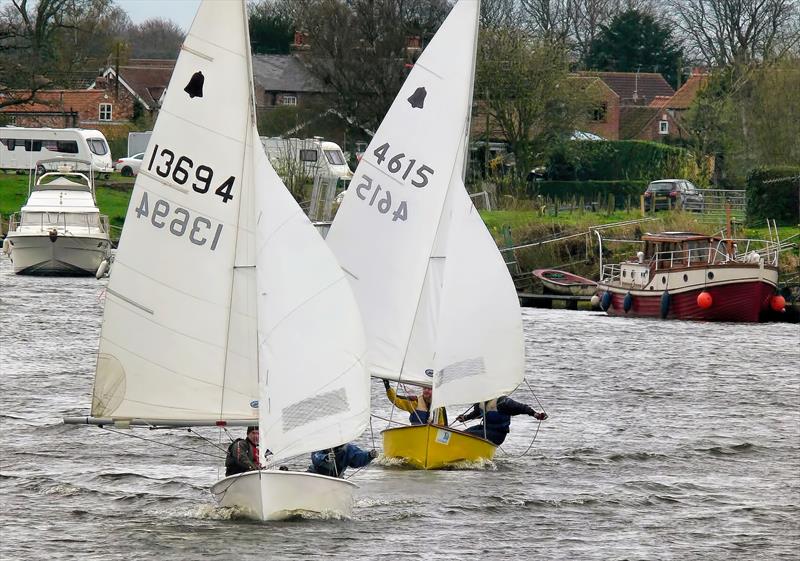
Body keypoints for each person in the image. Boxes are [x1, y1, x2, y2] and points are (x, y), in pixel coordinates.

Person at [455, 396, 547, 446]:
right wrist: (465, 418)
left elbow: (522, 408)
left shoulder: (503, 402)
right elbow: (476, 414)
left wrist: (536, 415)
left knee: (469, 435)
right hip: (484, 429)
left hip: (498, 434)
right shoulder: (480, 403)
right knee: (461, 434)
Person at [383, 375, 448, 426]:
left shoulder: (439, 407)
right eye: (425, 388)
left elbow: (442, 425)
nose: (426, 391)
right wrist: (387, 387)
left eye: (429, 389)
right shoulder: (415, 402)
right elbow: (396, 400)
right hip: (416, 436)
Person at [308, 443, 378, 478]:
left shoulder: (348, 449)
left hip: (337, 479)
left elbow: (357, 458)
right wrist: (326, 458)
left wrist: (369, 455)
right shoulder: (322, 444)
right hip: (315, 475)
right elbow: (316, 457)